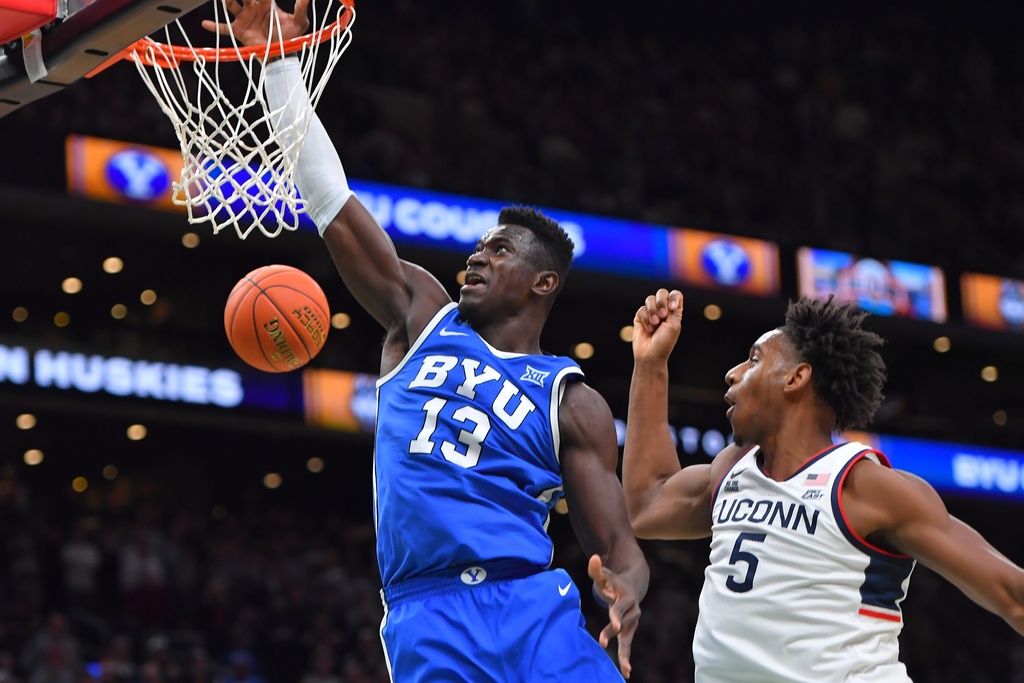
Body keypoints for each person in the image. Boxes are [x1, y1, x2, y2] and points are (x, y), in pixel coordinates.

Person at [203, 1, 650, 681]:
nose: (477, 257)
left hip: (535, 607)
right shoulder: (422, 317)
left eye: (499, 251)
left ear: (543, 283)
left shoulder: (571, 400)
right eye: (479, 247)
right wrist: (278, 67)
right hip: (430, 613)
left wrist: (627, 589)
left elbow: (618, 543)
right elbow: (331, 201)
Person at [623, 289, 1024, 682]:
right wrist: (651, 362)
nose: (733, 373)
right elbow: (647, 505)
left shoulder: (865, 485)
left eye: (754, 359)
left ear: (796, 377)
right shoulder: (732, 468)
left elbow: (1011, 593)